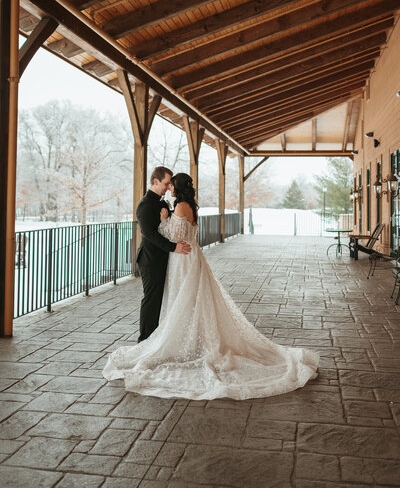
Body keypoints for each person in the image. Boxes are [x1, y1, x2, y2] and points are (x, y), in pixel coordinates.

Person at [103, 173, 319, 400]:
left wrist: (165, 219)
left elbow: (173, 235)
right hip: (190, 256)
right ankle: (185, 335)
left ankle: (179, 338)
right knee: (191, 299)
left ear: (178, 188)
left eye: (172, 185)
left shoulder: (179, 208)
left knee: (183, 298)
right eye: (167, 184)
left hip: (183, 257)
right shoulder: (189, 207)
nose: (170, 188)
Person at [135, 166, 191, 342]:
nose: (168, 187)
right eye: (166, 183)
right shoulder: (144, 205)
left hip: (163, 259)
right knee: (151, 301)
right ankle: (144, 340)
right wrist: (174, 248)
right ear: (155, 181)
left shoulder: (161, 202)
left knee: (160, 301)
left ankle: (156, 338)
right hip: (150, 260)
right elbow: (149, 234)